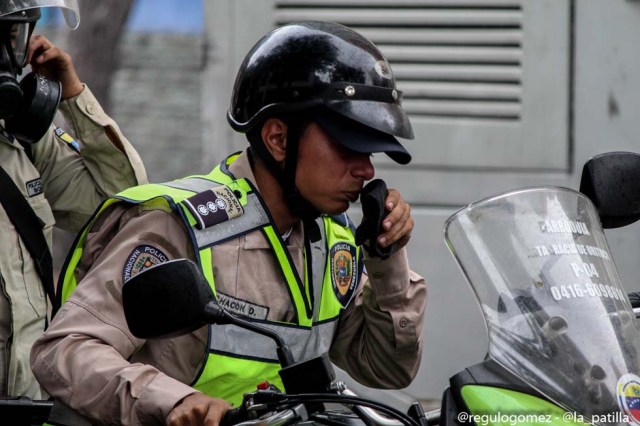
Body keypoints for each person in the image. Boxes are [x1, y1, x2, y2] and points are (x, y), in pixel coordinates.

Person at [31, 21, 427, 425]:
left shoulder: (332, 239)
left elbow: (387, 370)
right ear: (278, 139)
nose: (366, 170)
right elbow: (65, 350)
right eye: (348, 147)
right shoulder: (180, 226)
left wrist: (386, 260)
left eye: (372, 151)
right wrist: (173, 401)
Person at [0, 0, 147, 399]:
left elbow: (120, 206)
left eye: (14, 38)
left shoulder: (22, 144)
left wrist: (73, 95)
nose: (7, 54)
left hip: (28, 403)